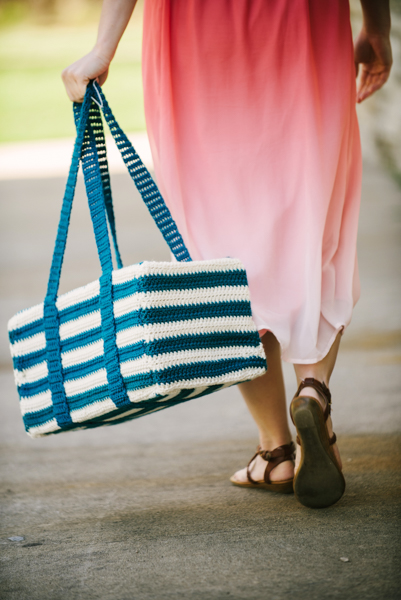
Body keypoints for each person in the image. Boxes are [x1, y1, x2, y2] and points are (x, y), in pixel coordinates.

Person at [62, 0, 392, 508]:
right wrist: (375, 25)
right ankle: (313, 392)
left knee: (222, 244)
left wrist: (102, 49)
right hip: (305, 20)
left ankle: (275, 449)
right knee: (314, 216)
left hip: (193, 30)